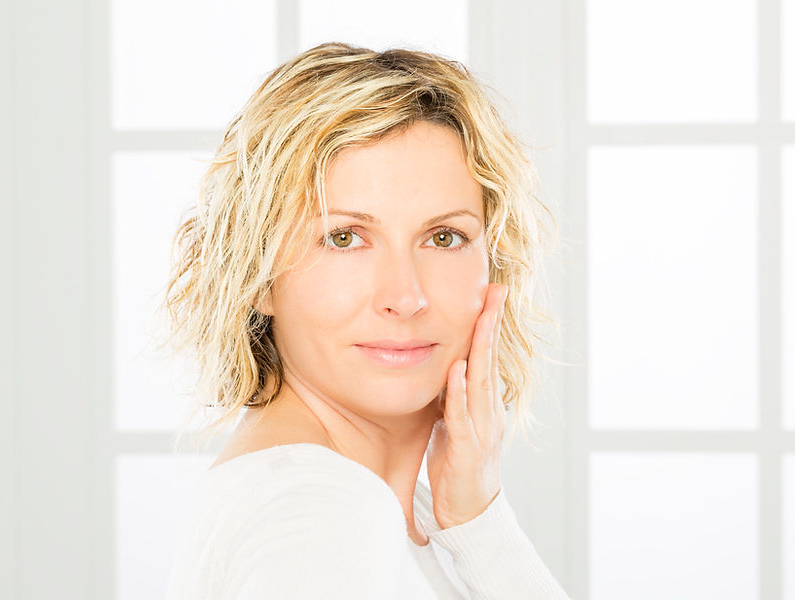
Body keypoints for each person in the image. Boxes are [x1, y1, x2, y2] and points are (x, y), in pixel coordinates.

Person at [160, 41, 570, 599]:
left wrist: (479, 521)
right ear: (257, 274)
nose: (405, 297)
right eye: (344, 238)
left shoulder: (388, 505)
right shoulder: (321, 509)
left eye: (444, 237)